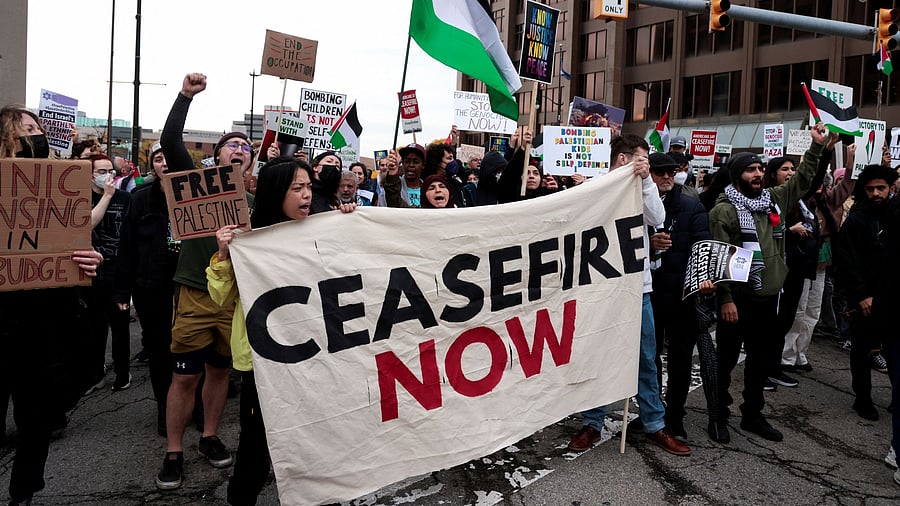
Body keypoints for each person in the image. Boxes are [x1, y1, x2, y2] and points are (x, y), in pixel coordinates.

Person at [208, 156, 356, 505]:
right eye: (297, 188)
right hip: (264, 362)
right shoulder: (249, 241)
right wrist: (224, 255)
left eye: (309, 187)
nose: (306, 195)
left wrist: (351, 225)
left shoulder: (324, 227)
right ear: (277, 193)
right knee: (256, 443)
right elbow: (220, 296)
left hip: (315, 354)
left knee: (318, 437)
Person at [0, 103, 103, 505]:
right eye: (25, 129)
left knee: (35, 418)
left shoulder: (59, 187)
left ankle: (23, 493)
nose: (34, 134)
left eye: (37, 128)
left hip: (45, 322)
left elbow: (76, 246)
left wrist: (89, 259)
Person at [568, 134, 690, 456]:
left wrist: (647, 181)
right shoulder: (596, 186)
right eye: (642, 159)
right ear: (623, 159)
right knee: (598, 356)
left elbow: (658, 219)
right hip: (602, 291)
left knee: (645, 362)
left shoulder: (643, 187)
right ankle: (592, 423)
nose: (648, 165)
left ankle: (655, 425)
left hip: (639, 292)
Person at [708, 124, 826, 443]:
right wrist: (727, 299)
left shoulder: (773, 199)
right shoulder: (724, 211)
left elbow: (803, 180)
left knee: (759, 361)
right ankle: (718, 413)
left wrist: (816, 146)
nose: (758, 174)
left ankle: (752, 415)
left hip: (768, 297)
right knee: (727, 359)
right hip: (739, 300)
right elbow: (719, 260)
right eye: (750, 170)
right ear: (736, 177)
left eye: (760, 168)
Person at [156, 73, 246, 490]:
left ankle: (209, 436)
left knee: (219, 373)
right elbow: (172, 143)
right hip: (195, 290)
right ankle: (174, 449)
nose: (240, 149)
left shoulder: (259, 196)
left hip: (234, 298)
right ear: (216, 155)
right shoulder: (197, 182)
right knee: (185, 376)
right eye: (233, 143)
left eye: (246, 146)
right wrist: (184, 97)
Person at [645, 153, 717, 443]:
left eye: (670, 172)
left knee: (679, 360)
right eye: (659, 172)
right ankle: (652, 414)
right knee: (649, 360)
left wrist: (705, 280)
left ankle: (675, 415)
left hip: (682, 297)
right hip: (648, 296)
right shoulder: (634, 206)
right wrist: (649, 245)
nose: (666, 177)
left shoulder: (691, 206)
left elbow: (703, 245)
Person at [113, 141, 180, 437]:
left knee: (193, 350)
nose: (164, 163)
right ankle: (166, 410)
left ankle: (197, 408)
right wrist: (121, 292)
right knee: (160, 351)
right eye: (158, 159)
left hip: (188, 287)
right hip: (151, 288)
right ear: (152, 165)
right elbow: (126, 248)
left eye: (169, 157)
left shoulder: (195, 195)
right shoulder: (139, 199)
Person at [834, 164, 897, 422]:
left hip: (893, 296)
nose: (876, 193)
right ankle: (863, 398)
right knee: (862, 349)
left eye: (881, 188)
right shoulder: (856, 220)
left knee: (893, 350)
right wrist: (861, 295)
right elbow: (847, 261)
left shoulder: (896, 215)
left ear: (891, 188)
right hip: (865, 299)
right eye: (870, 189)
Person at [86, 154, 133, 392]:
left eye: (109, 170)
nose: (106, 175)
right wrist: (105, 197)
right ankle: (95, 373)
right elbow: (85, 225)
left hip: (116, 272)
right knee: (94, 326)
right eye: (100, 171)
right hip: (90, 273)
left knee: (120, 325)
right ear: (90, 174)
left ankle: (122, 372)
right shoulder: (82, 199)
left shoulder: (126, 198)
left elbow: (127, 234)